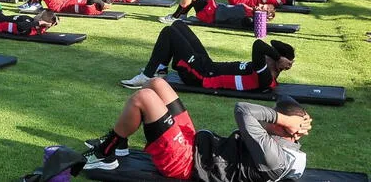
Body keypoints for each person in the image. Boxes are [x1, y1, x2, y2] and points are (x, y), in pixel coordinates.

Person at [83, 77, 311, 182]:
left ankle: (105, 153)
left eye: (273, 116)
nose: (268, 115)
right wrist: (290, 122)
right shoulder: (282, 139)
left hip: (186, 164)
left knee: (144, 97)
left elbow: (243, 110)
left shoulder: (273, 157)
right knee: (157, 84)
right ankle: (121, 144)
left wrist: (284, 118)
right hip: (197, 146)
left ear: (283, 128)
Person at [120, 20, 294, 90]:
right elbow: (263, 47)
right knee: (178, 25)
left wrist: (278, 58)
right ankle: (161, 70)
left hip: (201, 76)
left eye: (271, 56)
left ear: (277, 63)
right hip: (207, 66)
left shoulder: (265, 77)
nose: (266, 56)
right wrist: (278, 58)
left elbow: (258, 45)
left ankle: (147, 76)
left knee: (169, 32)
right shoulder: (264, 68)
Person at [159, 0, 275, 25]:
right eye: (261, 5)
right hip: (215, 7)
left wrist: (264, 19)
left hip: (210, 15)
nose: (259, 5)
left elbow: (251, 23)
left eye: (262, 8)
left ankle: (175, 17)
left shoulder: (251, 17)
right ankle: (183, 14)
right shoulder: (251, 10)